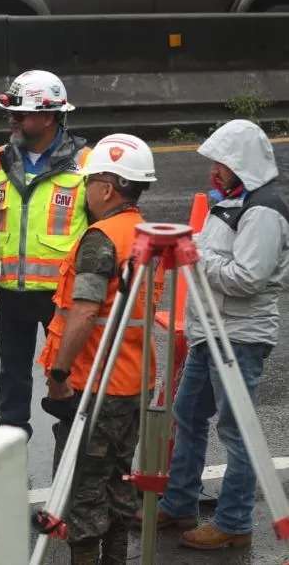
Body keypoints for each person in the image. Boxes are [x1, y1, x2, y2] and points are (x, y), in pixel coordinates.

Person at [155, 120, 289, 550]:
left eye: (222, 164)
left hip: (239, 336)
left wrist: (196, 254)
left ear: (241, 164)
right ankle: (179, 502)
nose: (214, 171)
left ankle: (233, 522)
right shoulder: (233, 200)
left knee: (237, 430)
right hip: (210, 332)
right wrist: (203, 251)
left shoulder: (263, 209)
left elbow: (247, 277)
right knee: (188, 414)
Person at [37, 134, 157, 565]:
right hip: (133, 380)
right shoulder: (145, 232)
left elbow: (84, 312)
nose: (85, 191)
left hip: (95, 382)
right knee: (121, 482)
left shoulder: (101, 237)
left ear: (107, 187)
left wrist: (59, 375)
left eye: (89, 183)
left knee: (85, 490)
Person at [0, 70, 90, 439]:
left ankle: (74, 444)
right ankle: (9, 445)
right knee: (11, 375)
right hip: (10, 291)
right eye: (11, 113)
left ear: (49, 116)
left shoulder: (85, 163)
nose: (12, 120)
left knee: (68, 374)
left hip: (61, 296)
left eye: (20, 114)